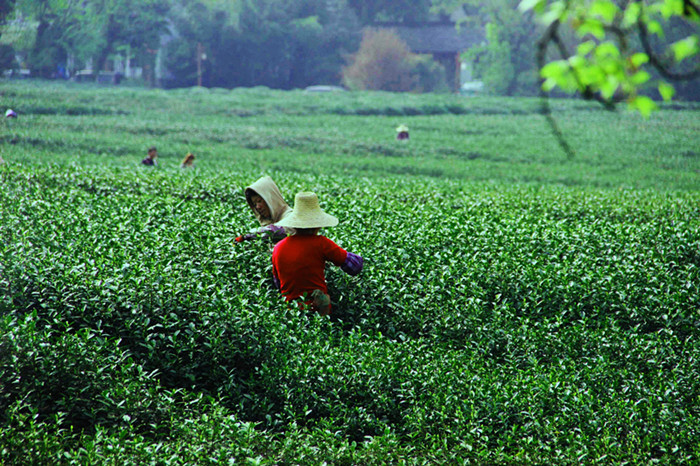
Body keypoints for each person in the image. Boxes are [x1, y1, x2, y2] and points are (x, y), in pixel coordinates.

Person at [271, 191, 363, 315]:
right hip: (317, 313)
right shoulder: (321, 243)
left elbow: (278, 283)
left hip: (290, 313)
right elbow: (355, 267)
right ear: (318, 225)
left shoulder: (278, 248)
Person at [236, 176, 293, 244]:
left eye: (259, 201)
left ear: (270, 198)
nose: (257, 207)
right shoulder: (271, 221)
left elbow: (277, 230)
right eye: (254, 204)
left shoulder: (291, 216)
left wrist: (248, 235)